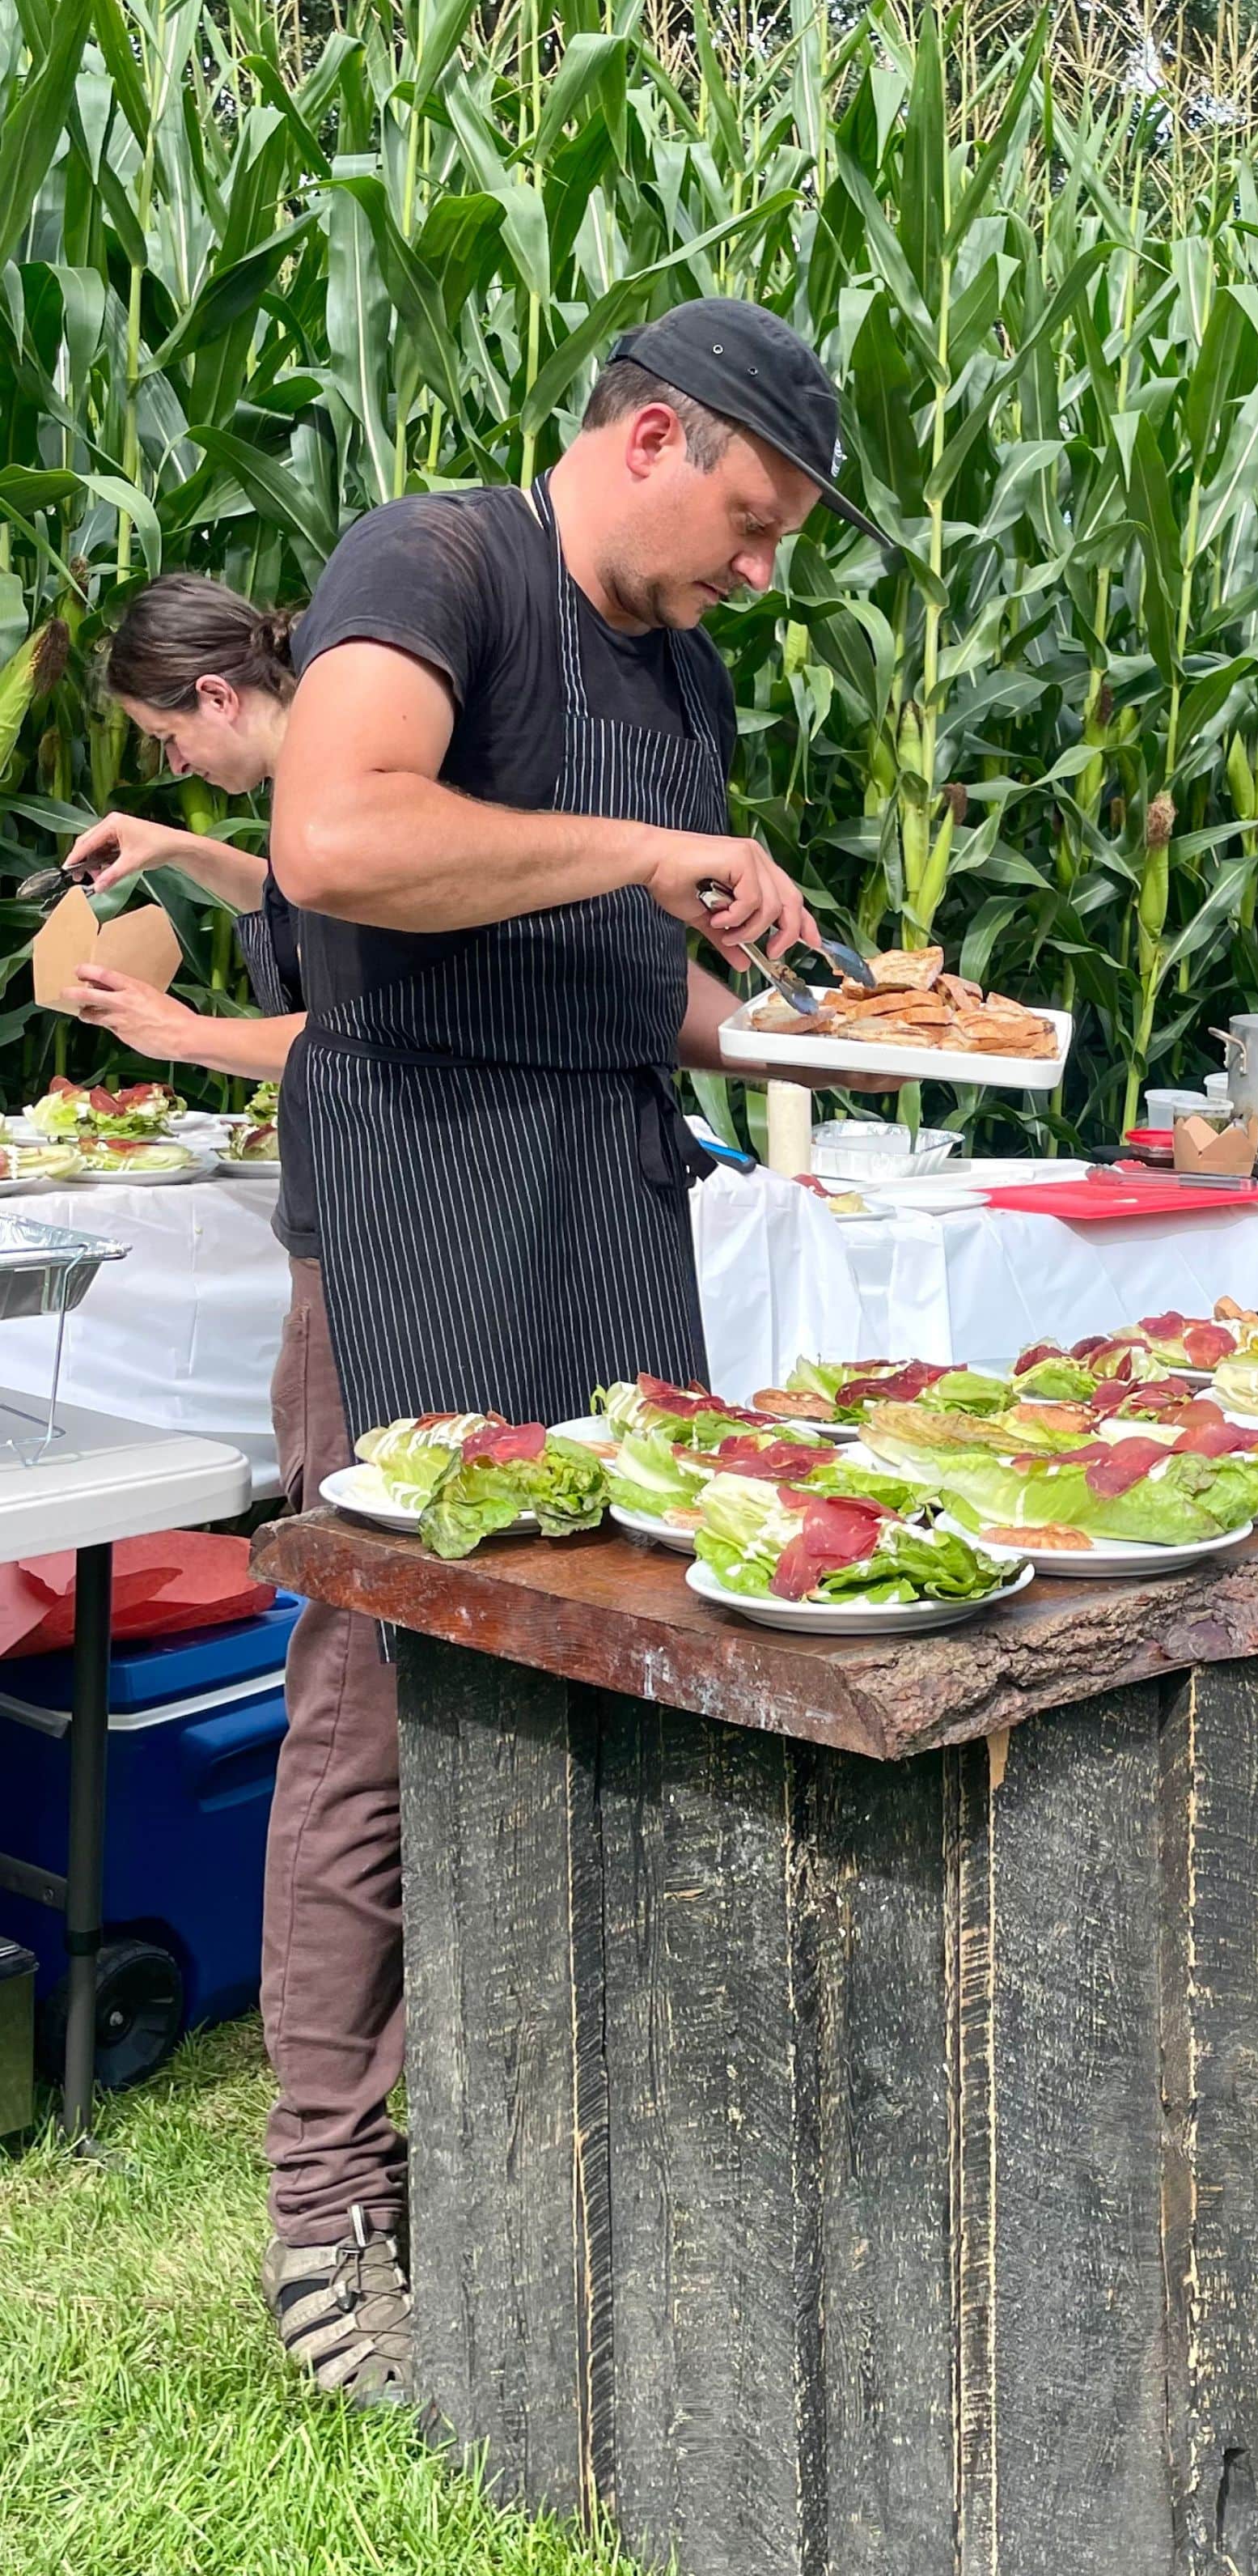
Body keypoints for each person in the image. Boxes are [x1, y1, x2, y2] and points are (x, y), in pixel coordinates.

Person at [252, 296, 897, 2406]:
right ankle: (331, 2211)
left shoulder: (683, 671)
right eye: (752, 514)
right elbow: (334, 837)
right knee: (381, 1696)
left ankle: (504, 2154)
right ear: (648, 437)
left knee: (595, 1678)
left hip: (612, 1202)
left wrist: (831, 1025)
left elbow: (648, 981)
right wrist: (651, 850)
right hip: (422, 1188)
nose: (760, 569)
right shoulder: (431, 566)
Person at [50, 573, 312, 1081]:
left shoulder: (341, 795)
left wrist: (181, 1033)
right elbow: (302, 908)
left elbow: (381, 1031)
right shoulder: (306, 779)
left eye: (167, 736)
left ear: (217, 697)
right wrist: (178, 849)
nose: (176, 766)